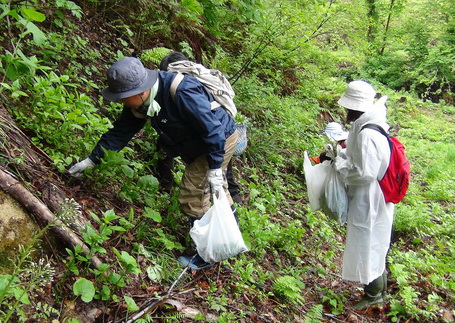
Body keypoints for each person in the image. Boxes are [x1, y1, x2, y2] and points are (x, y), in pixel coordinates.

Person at [68, 56, 238, 269]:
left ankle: (207, 254)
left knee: (192, 193)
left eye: (122, 97)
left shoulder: (183, 92)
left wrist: (214, 167)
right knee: (212, 189)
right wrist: (91, 160)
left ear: (140, 91)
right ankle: (228, 233)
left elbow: (212, 131)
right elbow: (120, 133)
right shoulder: (138, 104)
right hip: (199, 141)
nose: (119, 101)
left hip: (219, 138)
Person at [333, 80, 394, 310]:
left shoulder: (368, 132)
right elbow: (358, 155)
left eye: (348, 108)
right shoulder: (365, 124)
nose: (346, 112)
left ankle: (374, 294)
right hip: (371, 195)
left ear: (355, 108)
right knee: (375, 240)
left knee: (369, 241)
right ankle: (380, 290)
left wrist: (339, 166)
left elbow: (365, 172)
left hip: (371, 196)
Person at [157, 51, 242, 204]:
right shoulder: (200, 76)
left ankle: (166, 186)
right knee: (221, 167)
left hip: (213, 131)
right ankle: (233, 197)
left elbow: (210, 128)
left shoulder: (181, 87)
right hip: (223, 130)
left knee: (201, 183)